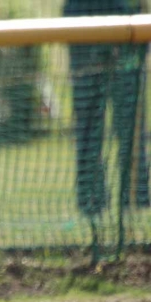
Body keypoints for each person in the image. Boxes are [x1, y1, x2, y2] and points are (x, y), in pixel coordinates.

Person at [64, 0, 150, 215]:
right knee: (88, 125)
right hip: (82, 21)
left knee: (130, 122)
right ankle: (91, 200)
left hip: (125, 21)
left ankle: (137, 197)